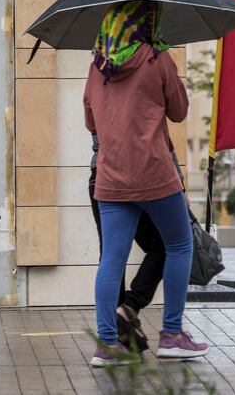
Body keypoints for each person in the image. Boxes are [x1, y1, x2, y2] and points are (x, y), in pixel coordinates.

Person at [83, 0, 209, 367]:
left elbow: (91, 121)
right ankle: (171, 333)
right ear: (145, 23)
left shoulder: (97, 66)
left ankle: (107, 344)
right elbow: (180, 111)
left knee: (112, 259)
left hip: (110, 176)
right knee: (179, 244)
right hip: (154, 173)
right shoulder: (156, 58)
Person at [89, 134, 186, 352]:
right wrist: (179, 181)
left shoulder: (93, 97)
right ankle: (157, 325)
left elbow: (92, 124)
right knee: (172, 245)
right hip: (143, 172)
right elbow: (161, 131)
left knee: (112, 255)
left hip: (103, 173)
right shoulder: (145, 97)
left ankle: (111, 339)